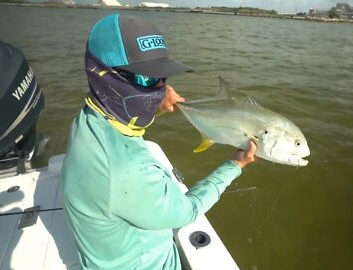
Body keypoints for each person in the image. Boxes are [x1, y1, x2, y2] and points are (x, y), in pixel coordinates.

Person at [61, 14, 256, 270]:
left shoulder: (89, 117)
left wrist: (156, 104)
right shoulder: (126, 174)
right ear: (107, 76)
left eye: (163, 76)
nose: (163, 87)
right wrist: (234, 165)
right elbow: (188, 211)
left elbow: (126, 122)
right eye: (148, 77)